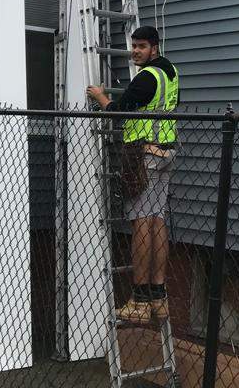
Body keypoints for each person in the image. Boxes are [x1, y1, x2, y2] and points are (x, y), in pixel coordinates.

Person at [87, 25, 179, 323]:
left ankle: (139, 300)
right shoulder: (170, 73)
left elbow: (117, 110)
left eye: (141, 47)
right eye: (133, 46)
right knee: (157, 220)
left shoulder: (146, 78)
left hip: (144, 156)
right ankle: (158, 296)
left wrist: (100, 97)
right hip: (166, 151)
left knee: (141, 222)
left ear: (154, 48)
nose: (135, 51)